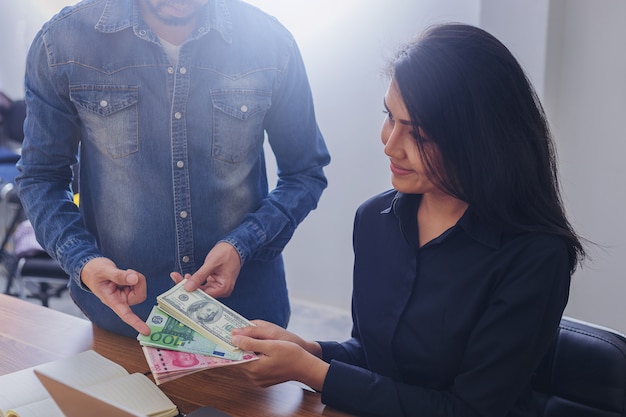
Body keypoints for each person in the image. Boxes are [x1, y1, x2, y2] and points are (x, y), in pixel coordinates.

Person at [229, 23, 586, 417]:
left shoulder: (534, 257)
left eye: (417, 133)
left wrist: (317, 374)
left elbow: (468, 410)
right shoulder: (375, 220)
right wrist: (308, 350)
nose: (389, 143)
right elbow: (373, 355)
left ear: (479, 140)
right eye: (389, 116)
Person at [16, 0, 330, 338]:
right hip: (123, 320)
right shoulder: (62, 42)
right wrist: (83, 261)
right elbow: (41, 177)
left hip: (247, 317)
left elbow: (305, 173)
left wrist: (245, 243)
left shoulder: (272, 43)